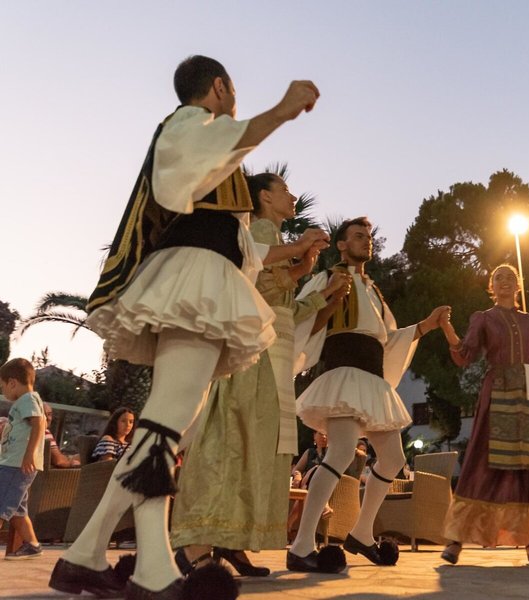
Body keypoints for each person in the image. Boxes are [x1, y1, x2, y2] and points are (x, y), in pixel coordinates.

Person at [49, 55, 323, 600]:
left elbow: (242, 248)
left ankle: (83, 557)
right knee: (167, 423)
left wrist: (290, 263)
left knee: (169, 422)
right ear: (219, 87)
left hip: (205, 278)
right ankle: (153, 570)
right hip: (195, 281)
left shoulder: (206, 145)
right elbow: (206, 165)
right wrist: (283, 111)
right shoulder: (190, 123)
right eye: (233, 90)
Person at [170, 172, 347, 577]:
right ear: (264, 197)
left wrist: (323, 292)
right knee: (233, 440)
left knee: (254, 447)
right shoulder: (260, 232)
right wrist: (300, 264)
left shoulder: (276, 239)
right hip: (253, 353)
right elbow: (257, 287)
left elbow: (285, 309)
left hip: (273, 356)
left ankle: (231, 541)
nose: (292, 195)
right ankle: (196, 544)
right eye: (284, 189)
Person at [287, 216, 449, 572]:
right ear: (342, 245)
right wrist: (329, 298)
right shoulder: (329, 278)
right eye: (358, 236)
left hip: (372, 381)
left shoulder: (374, 291)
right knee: (342, 450)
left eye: (369, 237)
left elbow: (387, 340)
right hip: (344, 374)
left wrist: (427, 325)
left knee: (392, 459)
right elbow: (302, 320)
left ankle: (361, 533)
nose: (366, 241)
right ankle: (301, 545)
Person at [437, 264, 529, 567]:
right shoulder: (483, 318)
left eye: (510, 277)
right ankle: (456, 540)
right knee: (481, 461)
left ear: (518, 286)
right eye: (498, 278)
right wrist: (446, 327)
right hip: (497, 393)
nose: (505, 281)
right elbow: (464, 355)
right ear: (491, 287)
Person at [0, 358, 46, 560]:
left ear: (12, 383)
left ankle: (32, 545)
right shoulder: (27, 400)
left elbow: (39, 423)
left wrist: (29, 454)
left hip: (17, 465)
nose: (3, 391)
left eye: (2, 386)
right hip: (15, 463)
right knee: (17, 511)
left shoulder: (27, 399)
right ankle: (33, 545)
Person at [43, 403, 80, 468]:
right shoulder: (44, 433)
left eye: (49, 414)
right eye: (43, 414)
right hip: (55, 470)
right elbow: (59, 461)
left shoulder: (28, 432)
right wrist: (71, 463)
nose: (48, 418)